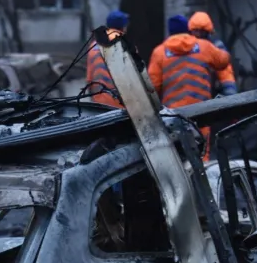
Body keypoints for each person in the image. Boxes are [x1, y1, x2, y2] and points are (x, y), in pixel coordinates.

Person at [148, 15, 230, 160]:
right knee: (202, 152)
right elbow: (223, 61)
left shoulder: (159, 52)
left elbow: (153, 87)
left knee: (178, 155)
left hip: (173, 115)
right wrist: (218, 45)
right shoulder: (204, 46)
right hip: (201, 112)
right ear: (188, 29)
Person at [188, 11, 237, 96]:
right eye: (196, 31)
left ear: (208, 31)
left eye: (202, 31)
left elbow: (225, 71)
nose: (199, 34)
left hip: (209, 91)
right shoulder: (186, 46)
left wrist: (230, 92)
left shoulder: (216, 45)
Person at [87, 10, 129, 108]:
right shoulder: (126, 45)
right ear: (124, 27)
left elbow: (89, 79)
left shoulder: (94, 45)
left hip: (98, 106)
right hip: (121, 106)